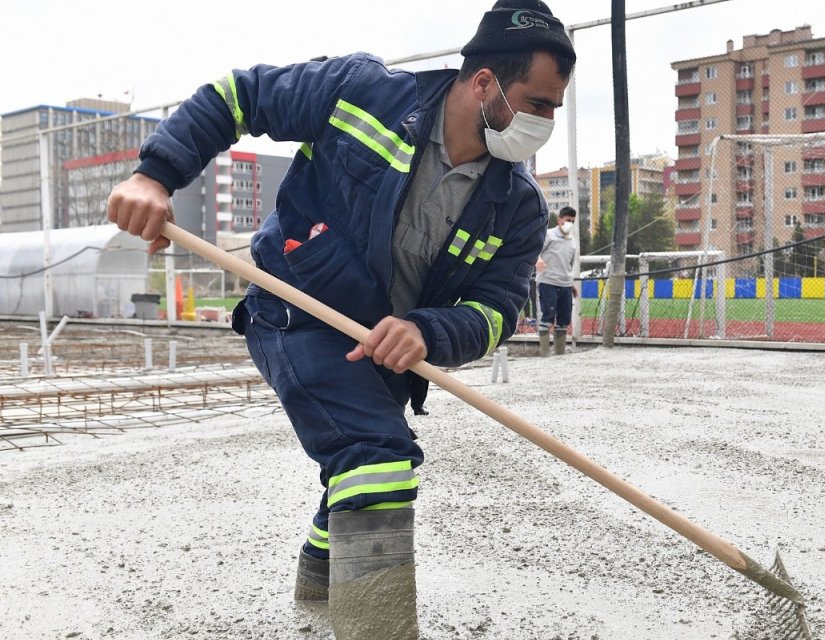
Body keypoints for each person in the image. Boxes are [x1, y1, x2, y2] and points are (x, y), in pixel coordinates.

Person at [105, 2, 575, 638]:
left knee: (366, 465)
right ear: (485, 82)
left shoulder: (516, 206)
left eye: (553, 108)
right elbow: (239, 96)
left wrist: (428, 332)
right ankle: (375, 629)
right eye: (538, 103)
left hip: (383, 351)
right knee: (377, 462)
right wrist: (156, 176)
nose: (544, 122)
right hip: (295, 310)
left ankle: (320, 575)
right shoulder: (363, 93)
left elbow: (497, 313)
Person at [535, 206, 577, 355]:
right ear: (560, 220)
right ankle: (545, 353)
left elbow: (569, 265)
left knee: (564, 320)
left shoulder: (572, 241)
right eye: (567, 220)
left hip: (565, 284)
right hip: (548, 281)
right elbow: (535, 250)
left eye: (572, 221)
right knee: (548, 316)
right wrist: (538, 260)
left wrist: (572, 285)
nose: (569, 223)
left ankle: (560, 353)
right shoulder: (549, 235)